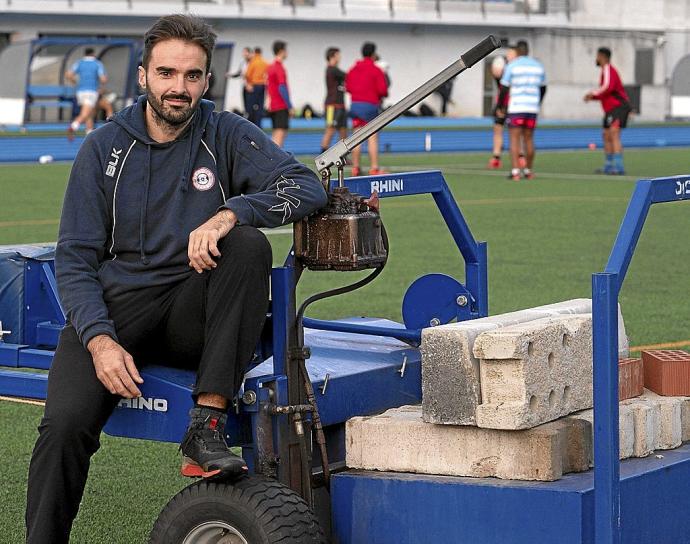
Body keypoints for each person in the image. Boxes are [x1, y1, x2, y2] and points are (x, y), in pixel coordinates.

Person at [25, 14, 327, 543]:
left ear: (207, 81)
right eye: (166, 73)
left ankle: (205, 426)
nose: (178, 88)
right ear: (143, 76)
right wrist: (99, 342)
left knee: (248, 244)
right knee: (63, 428)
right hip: (119, 309)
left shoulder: (225, 132)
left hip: (193, 309)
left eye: (192, 76)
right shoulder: (102, 147)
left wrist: (232, 211)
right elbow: (74, 258)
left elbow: (305, 186)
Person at [499, 40, 546, 181]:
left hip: (517, 107)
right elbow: (543, 88)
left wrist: (501, 106)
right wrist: (537, 102)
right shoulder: (538, 66)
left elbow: (504, 88)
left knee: (514, 139)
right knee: (529, 139)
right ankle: (528, 170)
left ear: (518, 51)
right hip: (532, 107)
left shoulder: (512, 66)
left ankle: (515, 172)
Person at [584, 47, 631, 175]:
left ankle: (619, 167)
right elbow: (605, 92)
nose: (596, 59)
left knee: (614, 134)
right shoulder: (605, 71)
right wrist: (593, 97)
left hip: (619, 107)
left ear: (602, 56)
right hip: (610, 109)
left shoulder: (608, 69)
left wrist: (592, 94)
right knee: (606, 135)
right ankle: (609, 166)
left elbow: (607, 87)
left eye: (597, 56)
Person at [345, 41, 389, 176]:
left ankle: (356, 167)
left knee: (357, 136)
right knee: (372, 137)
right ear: (373, 54)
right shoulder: (376, 70)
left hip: (356, 106)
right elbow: (383, 90)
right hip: (370, 106)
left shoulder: (353, 69)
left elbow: (348, 87)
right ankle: (374, 168)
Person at [487, 47, 523, 169]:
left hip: (514, 104)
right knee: (498, 129)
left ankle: (521, 156)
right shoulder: (505, 68)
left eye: (511, 54)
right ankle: (496, 157)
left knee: (516, 132)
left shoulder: (517, 69)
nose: (508, 56)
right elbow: (497, 74)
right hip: (504, 103)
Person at [65, 47, 107, 140]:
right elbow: (103, 79)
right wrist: (101, 87)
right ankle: (73, 126)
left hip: (80, 92)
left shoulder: (79, 63)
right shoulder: (97, 64)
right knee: (85, 113)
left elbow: (68, 74)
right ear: (93, 54)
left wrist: (74, 82)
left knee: (90, 114)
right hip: (91, 91)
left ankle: (89, 135)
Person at [320, 47, 348, 153]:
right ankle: (323, 153)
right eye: (338, 55)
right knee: (330, 129)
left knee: (343, 131)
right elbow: (348, 75)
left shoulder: (336, 70)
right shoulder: (332, 69)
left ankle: (342, 155)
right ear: (332, 56)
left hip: (341, 105)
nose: (340, 57)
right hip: (332, 105)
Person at [267, 40, 293, 147]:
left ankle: (272, 159)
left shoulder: (270, 67)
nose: (287, 53)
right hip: (280, 105)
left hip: (273, 105)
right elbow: (282, 88)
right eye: (286, 51)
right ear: (282, 51)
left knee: (276, 134)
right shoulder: (279, 68)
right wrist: (290, 106)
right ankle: (273, 161)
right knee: (280, 135)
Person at [244, 46, 268, 126]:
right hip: (262, 86)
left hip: (254, 86)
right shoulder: (264, 62)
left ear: (254, 53)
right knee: (260, 107)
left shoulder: (253, 62)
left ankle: (250, 125)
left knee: (250, 107)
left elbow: (247, 74)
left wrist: (248, 84)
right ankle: (259, 125)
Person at [226, 46, 252, 115]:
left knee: (251, 104)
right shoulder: (243, 63)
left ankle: (253, 118)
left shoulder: (253, 63)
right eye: (243, 53)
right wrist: (231, 75)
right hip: (244, 86)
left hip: (251, 86)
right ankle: (247, 116)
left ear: (250, 53)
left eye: (246, 53)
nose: (244, 54)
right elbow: (239, 73)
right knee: (246, 104)